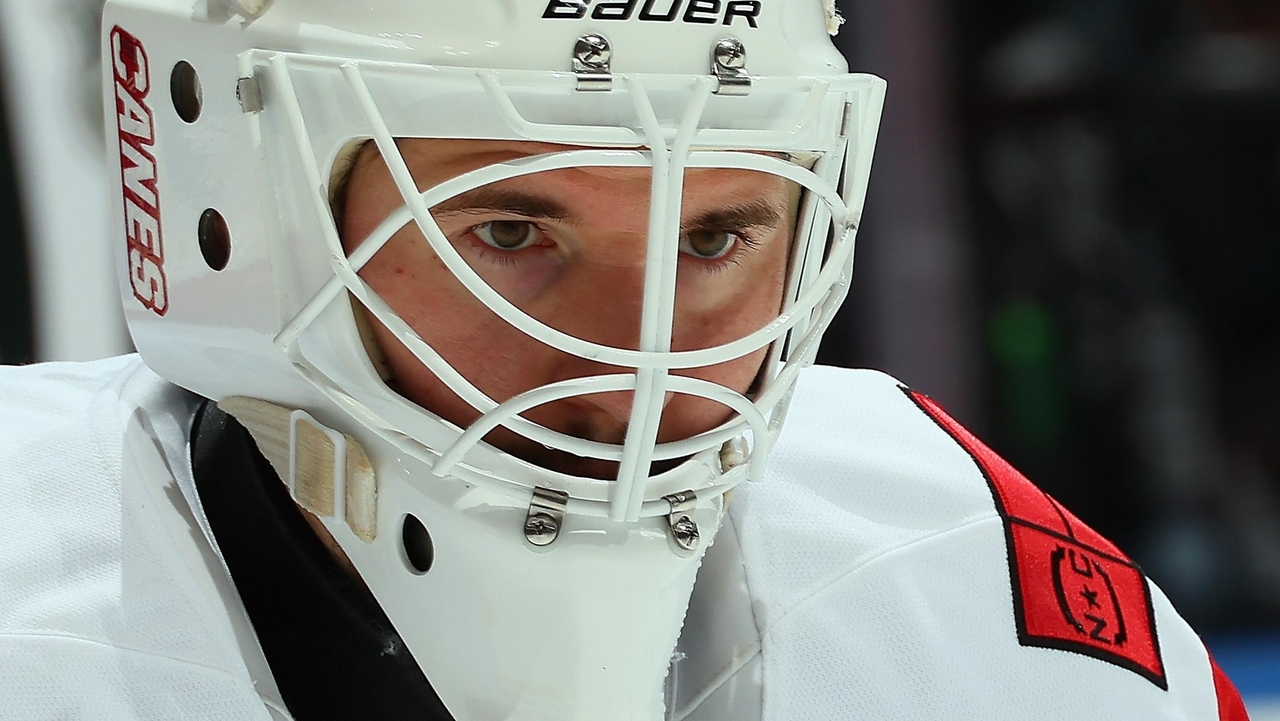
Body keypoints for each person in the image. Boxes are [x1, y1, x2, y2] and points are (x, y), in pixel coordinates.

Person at [0, 0, 1252, 719]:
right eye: (508, 232)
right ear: (238, 215)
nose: (629, 378)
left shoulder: (959, 585)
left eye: (714, 237)